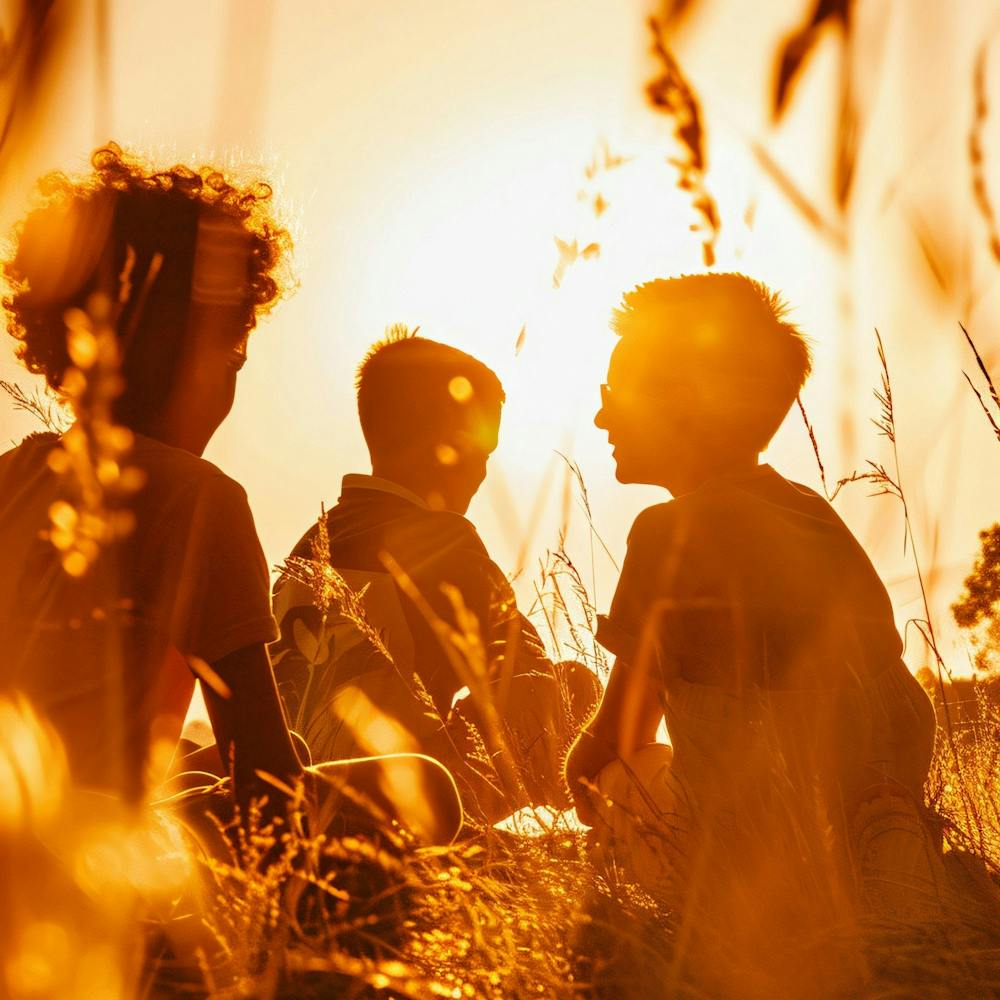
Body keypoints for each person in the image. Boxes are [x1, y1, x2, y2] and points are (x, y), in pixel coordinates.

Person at [0, 145, 459, 843]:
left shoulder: (13, 475)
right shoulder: (197, 496)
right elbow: (266, 782)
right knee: (426, 786)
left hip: (19, 832)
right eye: (233, 357)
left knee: (210, 765)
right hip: (85, 874)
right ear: (195, 352)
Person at [564, 274, 941, 926]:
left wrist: (568, 775)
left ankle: (702, 910)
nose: (600, 415)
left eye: (613, 393)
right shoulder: (814, 516)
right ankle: (879, 855)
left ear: (685, 401)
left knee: (613, 780)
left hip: (759, 845)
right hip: (866, 794)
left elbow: (612, 745)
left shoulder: (668, 533)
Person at [272, 328, 600, 824]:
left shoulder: (311, 541)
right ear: (449, 444)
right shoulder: (442, 539)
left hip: (298, 791)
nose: (483, 474)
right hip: (397, 802)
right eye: (483, 452)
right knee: (574, 685)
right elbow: (525, 673)